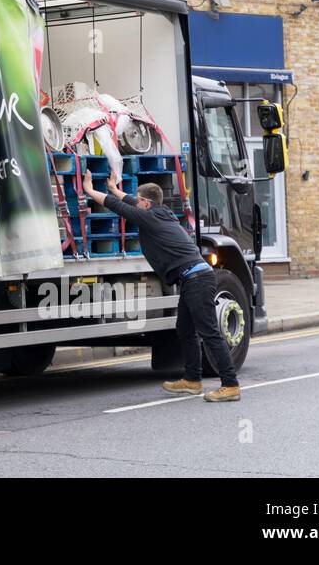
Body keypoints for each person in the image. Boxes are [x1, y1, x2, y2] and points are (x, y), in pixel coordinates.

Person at [80, 171, 241, 402]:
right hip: (193, 277)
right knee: (185, 330)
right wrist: (115, 188)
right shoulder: (160, 212)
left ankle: (230, 384)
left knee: (209, 332)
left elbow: (118, 206)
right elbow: (128, 201)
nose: (137, 203)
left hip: (197, 279)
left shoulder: (149, 217)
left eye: (139, 200)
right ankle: (192, 380)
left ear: (146, 203)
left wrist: (89, 190)